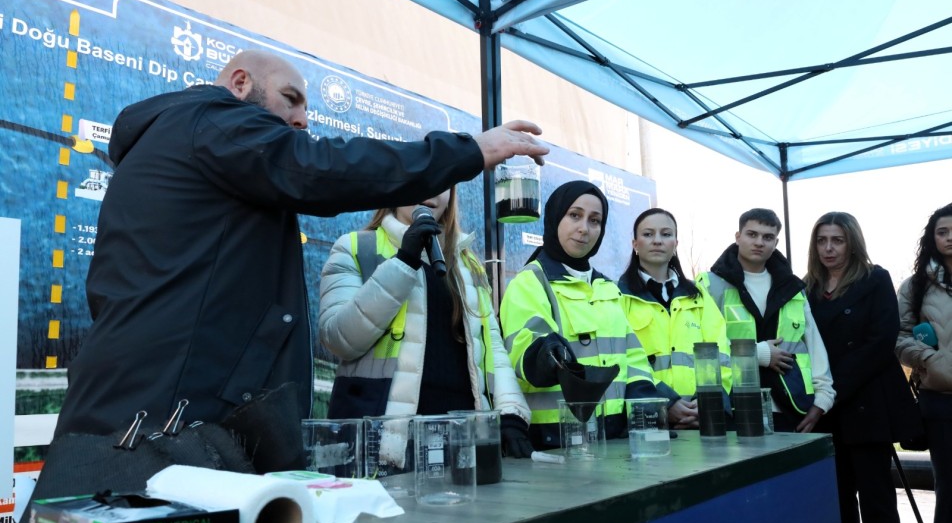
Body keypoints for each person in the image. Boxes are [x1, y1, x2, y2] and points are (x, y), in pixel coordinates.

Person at [55, 49, 549, 445]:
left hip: (156, 402)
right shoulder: (209, 119)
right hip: (164, 415)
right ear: (241, 83)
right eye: (290, 99)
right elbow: (318, 168)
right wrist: (468, 151)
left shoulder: (188, 144)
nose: (301, 119)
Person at [318, 187, 534, 457]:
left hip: (462, 439)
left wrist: (511, 414)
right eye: (421, 177)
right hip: (389, 440)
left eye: (444, 182)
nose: (431, 189)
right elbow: (339, 339)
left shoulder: (468, 263)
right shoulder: (355, 247)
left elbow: (494, 350)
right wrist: (404, 261)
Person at [499, 181, 682, 450]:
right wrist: (545, 354)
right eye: (574, 215)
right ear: (555, 218)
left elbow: (634, 360)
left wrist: (646, 415)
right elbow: (521, 349)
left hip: (613, 438)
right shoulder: (530, 281)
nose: (584, 228)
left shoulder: (607, 288)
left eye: (595, 220)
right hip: (556, 440)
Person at [805, 212, 920, 523]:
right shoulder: (806, 288)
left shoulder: (875, 278)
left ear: (852, 241)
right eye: (822, 240)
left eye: (837, 240)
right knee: (837, 501)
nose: (828, 249)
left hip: (866, 405)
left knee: (877, 503)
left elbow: (881, 340)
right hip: (826, 411)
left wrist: (833, 390)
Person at [697, 208, 835, 433]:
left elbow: (814, 346)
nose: (759, 242)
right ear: (738, 236)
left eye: (767, 237)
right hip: (733, 408)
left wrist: (822, 400)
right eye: (752, 234)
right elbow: (703, 349)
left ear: (776, 242)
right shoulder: (709, 285)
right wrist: (758, 353)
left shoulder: (792, 288)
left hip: (791, 408)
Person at [617, 208, 732, 429]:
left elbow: (722, 356)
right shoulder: (618, 297)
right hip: (646, 423)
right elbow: (623, 361)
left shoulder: (698, 296)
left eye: (666, 234)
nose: (657, 241)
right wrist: (665, 403)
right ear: (635, 244)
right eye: (648, 234)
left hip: (701, 421)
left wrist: (707, 404)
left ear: (676, 244)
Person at [896, 202, 952, 523]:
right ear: (932, 238)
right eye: (942, 231)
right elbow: (897, 338)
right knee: (950, 489)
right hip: (941, 402)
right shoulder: (914, 286)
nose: (949, 238)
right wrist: (931, 360)